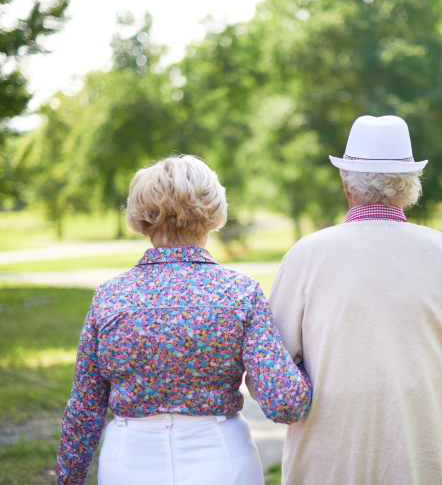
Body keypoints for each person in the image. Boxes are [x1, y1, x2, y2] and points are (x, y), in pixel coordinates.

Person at [266, 116, 442, 485]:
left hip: (326, 470)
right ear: (410, 186)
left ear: (345, 183)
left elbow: (268, 377)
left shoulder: (305, 257)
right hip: (428, 468)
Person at [56, 155, 312, 485]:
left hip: (129, 461)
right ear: (213, 213)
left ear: (141, 216)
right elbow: (286, 403)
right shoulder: (239, 293)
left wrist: (68, 478)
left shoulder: (110, 296)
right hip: (221, 458)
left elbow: (85, 409)